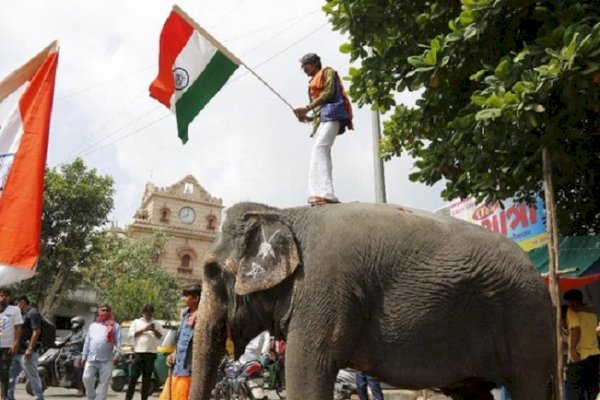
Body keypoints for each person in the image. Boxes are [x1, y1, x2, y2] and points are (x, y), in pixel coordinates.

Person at [293, 52, 353, 206]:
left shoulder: (328, 72)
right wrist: (308, 117)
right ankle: (316, 192)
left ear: (314, 63)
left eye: (305, 66)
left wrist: (307, 108)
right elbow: (319, 110)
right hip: (323, 120)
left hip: (333, 116)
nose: (304, 69)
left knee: (321, 147)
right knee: (317, 151)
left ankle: (327, 193)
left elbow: (329, 93)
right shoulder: (312, 81)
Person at [159, 284, 201, 400]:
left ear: (196, 298)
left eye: (186, 296)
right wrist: (174, 353)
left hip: (190, 369)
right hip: (177, 367)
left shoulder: (203, 317)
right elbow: (181, 340)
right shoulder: (185, 314)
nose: (183, 299)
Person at [564, 289, 600, 399]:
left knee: (575, 393)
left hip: (579, 357)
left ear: (573, 301)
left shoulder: (571, 312)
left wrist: (573, 350)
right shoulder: (592, 312)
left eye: (569, 301)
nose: (569, 304)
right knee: (592, 390)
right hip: (594, 355)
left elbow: (576, 330)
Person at [8, 295, 44, 400]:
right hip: (17, 352)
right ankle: (9, 397)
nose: (15, 306)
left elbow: (36, 331)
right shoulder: (21, 315)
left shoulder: (33, 313)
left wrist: (30, 349)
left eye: (16, 303)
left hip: (27, 353)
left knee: (32, 377)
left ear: (22, 302)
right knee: (10, 376)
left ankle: (39, 397)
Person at [82, 304, 121, 400]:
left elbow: (118, 342)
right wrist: (84, 356)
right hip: (92, 357)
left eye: (107, 310)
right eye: (102, 310)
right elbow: (87, 341)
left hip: (107, 359)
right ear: (99, 311)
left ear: (110, 312)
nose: (105, 312)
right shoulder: (93, 326)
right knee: (86, 378)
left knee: (104, 384)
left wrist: (117, 355)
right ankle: (92, 397)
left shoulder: (115, 326)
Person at [125, 305, 163, 400]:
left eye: (150, 313)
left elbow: (161, 337)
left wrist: (153, 330)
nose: (148, 315)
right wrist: (144, 329)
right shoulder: (136, 322)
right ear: (143, 313)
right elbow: (131, 335)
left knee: (147, 379)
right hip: (139, 353)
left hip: (151, 353)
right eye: (147, 313)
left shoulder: (156, 323)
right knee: (133, 378)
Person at [0, 289, 22, 400]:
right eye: (1, 295)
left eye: (5, 296)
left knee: (4, 371)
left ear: (9, 297)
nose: (3, 298)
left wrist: (15, 343)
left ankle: (3, 396)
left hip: (6, 346)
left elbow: (18, 327)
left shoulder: (15, 310)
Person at [59, 316, 87, 396]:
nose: (74, 324)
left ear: (80, 324)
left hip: (79, 354)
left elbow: (83, 340)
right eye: (73, 323)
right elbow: (64, 339)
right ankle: (64, 378)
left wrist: (72, 343)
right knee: (58, 359)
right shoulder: (72, 333)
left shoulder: (84, 332)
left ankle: (80, 389)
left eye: (76, 322)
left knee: (76, 367)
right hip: (70, 353)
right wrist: (57, 342)